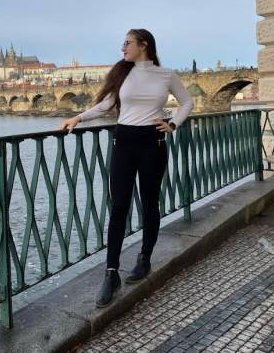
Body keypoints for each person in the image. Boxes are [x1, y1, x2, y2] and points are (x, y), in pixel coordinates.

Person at [60, 28, 194, 307]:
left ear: (143, 45)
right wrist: (78, 118)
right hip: (124, 144)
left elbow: (187, 102)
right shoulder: (123, 73)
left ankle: (144, 258)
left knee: (149, 203)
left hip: (152, 144)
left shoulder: (165, 74)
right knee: (119, 206)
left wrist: (173, 124)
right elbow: (106, 105)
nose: (123, 47)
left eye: (127, 43)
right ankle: (111, 273)